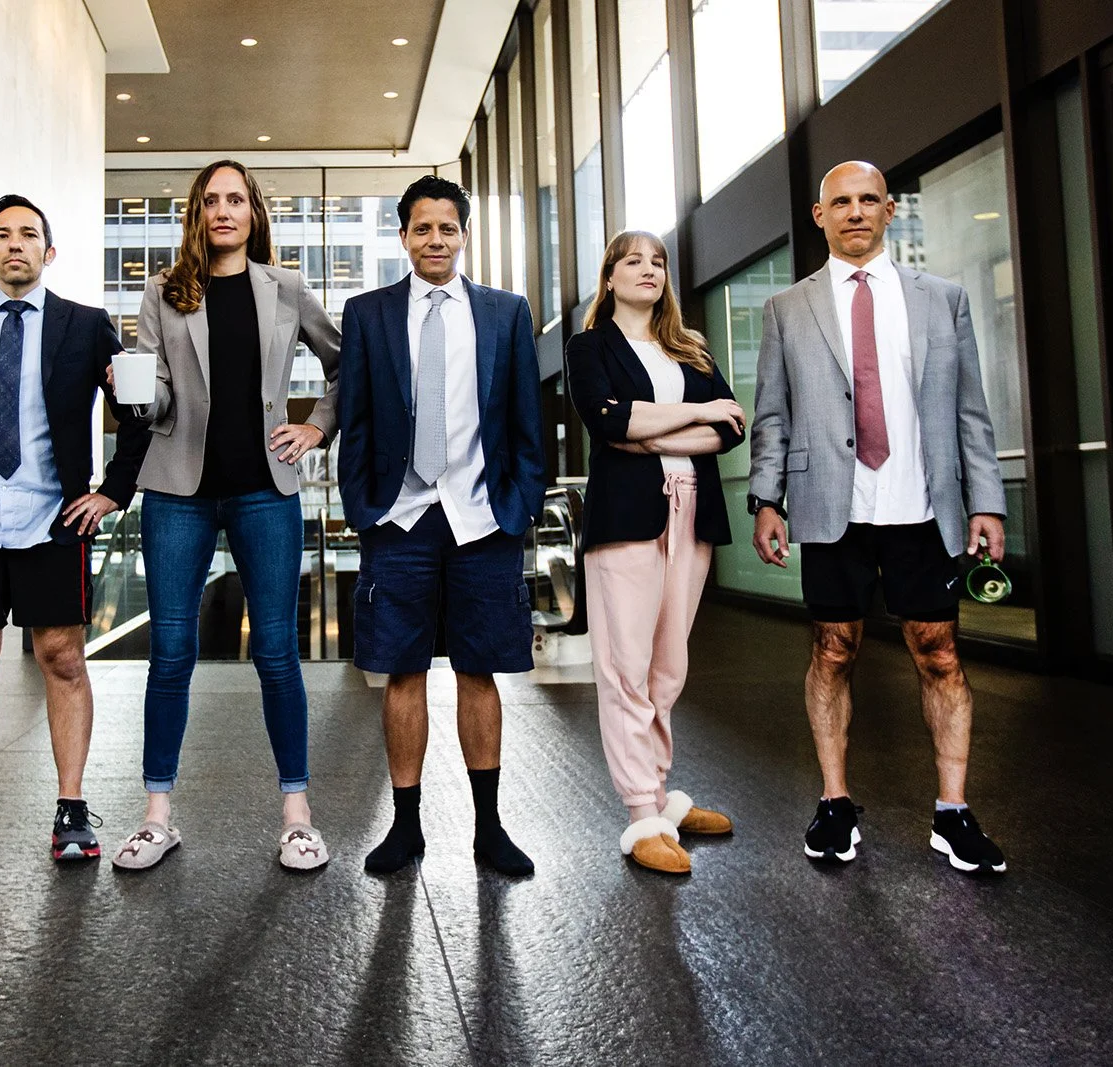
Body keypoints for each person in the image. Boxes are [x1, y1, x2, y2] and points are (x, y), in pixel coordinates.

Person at [749, 160, 1008, 874]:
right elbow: (773, 414)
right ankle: (835, 803)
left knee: (941, 653)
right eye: (842, 202)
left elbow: (970, 412)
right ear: (819, 214)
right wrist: (766, 499)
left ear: (891, 210)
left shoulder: (942, 298)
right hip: (834, 506)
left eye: (869, 200)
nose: (856, 211)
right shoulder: (786, 309)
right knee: (833, 650)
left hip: (921, 505)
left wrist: (987, 500)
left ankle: (952, 812)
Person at [108, 159, 340, 873]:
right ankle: (156, 816)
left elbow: (346, 365)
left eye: (236, 199)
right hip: (178, 488)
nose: (224, 210)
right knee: (172, 649)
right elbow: (160, 402)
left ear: (254, 211)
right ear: (197, 214)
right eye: (211, 200)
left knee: (276, 650)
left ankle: (297, 817)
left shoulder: (287, 289)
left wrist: (317, 428)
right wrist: (136, 395)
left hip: (265, 488)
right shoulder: (163, 292)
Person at [0, 194, 148, 863]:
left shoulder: (86, 324)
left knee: (63, 660)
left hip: (53, 522)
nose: (16, 244)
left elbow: (138, 410)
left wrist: (111, 492)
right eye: (3, 235)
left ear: (49, 251)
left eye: (29, 234)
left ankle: (71, 808)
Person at [338, 175, 544, 877]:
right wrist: (363, 508)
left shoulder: (505, 312)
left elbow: (525, 420)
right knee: (402, 672)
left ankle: (489, 828)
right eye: (421, 228)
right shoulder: (366, 314)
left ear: (464, 235)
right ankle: (405, 828)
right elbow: (357, 420)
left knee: (479, 670)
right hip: (399, 519)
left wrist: (520, 506)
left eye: (447, 228)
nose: (435, 240)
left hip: (483, 518)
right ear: (403, 237)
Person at [564, 231, 745, 874]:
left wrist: (650, 423)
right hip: (629, 519)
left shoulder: (688, 349)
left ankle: (662, 793)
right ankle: (643, 814)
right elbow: (610, 424)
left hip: (692, 510)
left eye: (658, 261)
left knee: (668, 667)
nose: (648, 269)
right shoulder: (589, 348)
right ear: (610, 277)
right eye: (632, 261)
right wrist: (685, 417)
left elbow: (729, 427)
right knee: (624, 667)